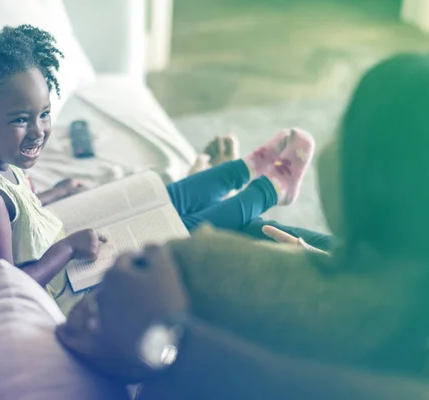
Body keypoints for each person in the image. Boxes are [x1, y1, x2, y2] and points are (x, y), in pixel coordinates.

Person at [57, 53, 429, 389]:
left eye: (342, 131)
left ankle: (258, 187)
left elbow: (91, 329)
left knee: (190, 215)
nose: (331, 148)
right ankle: (253, 187)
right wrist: (313, 255)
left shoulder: (202, 267)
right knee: (258, 225)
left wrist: (179, 342)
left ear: (372, 179)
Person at [0, 23, 322, 312]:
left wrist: (53, 194)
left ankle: (245, 169)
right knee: (188, 228)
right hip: (74, 286)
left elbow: (17, 210)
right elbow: (0, 287)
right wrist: (67, 248)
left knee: (164, 197)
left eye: (44, 113)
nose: (39, 131)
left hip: (60, 235)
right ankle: (271, 188)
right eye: (21, 119)